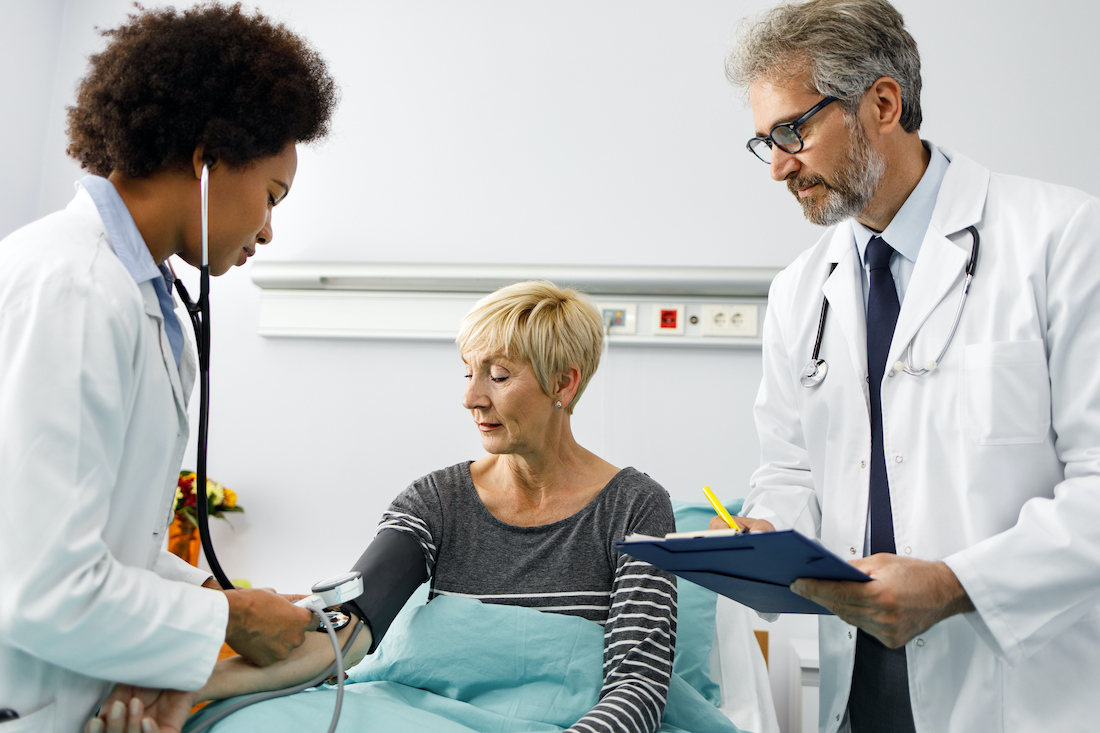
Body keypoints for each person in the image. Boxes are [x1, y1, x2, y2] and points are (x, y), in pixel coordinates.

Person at [710, 1, 1100, 731]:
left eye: (793, 131)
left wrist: (957, 584)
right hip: (850, 686)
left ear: (882, 103)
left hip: (1014, 679)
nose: (780, 168)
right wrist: (765, 530)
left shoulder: (1062, 239)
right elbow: (790, 468)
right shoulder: (802, 288)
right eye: (766, 142)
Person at [0, 4, 338, 732]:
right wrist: (228, 612)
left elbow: (113, 541)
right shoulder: (76, 287)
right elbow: (39, 584)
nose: (271, 229)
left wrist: (218, 597)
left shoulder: (129, 291)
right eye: (272, 196)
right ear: (208, 156)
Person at [159, 280, 679, 733]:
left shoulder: (635, 507)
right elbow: (344, 635)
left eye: (497, 376)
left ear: (564, 382)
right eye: (467, 373)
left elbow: (638, 686)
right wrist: (188, 687)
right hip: (421, 714)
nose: (471, 398)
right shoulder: (436, 501)